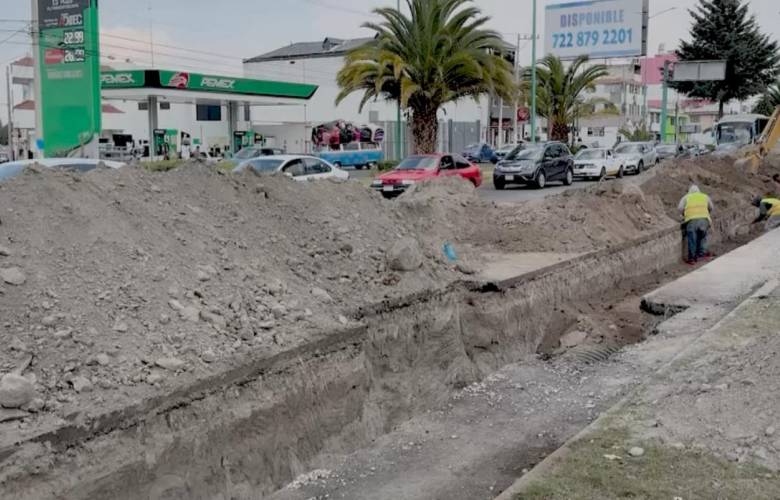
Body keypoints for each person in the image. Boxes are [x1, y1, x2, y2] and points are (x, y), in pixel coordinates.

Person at [677, 184, 714, 265]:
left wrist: (684, 214)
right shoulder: (705, 196)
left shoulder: (686, 197)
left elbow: (679, 208)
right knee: (702, 236)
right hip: (704, 220)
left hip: (691, 221)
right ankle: (702, 254)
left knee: (692, 239)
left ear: (689, 191)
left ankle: (692, 258)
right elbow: (711, 207)